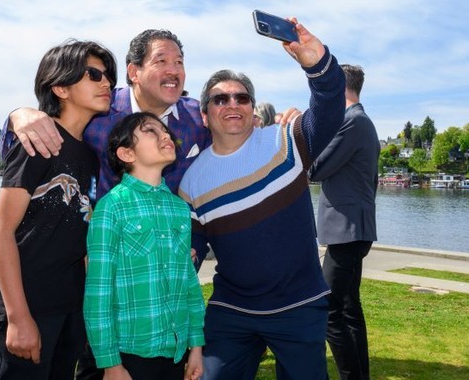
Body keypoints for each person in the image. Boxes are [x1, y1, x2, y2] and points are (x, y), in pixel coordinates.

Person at [178, 17, 346, 380]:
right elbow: (191, 247)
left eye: (241, 97)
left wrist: (317, 64)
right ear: (205, 115)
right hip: (232, 309)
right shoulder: (191, 181)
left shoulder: (286, 142)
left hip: (299, 305)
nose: (232, 104)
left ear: (252, 108)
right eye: (220, 99)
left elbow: (330, 111)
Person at [0, 39, 117, 380]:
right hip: (27, 305)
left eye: (108, 77)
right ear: (60, 86)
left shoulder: (90, 156)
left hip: (70, 309)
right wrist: (17, 317)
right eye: (94, 74)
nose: (106, 83)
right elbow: (0, 231)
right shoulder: (37, 141)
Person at [0, 29, 211, 198]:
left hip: (170, 243)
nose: (173, 71)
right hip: (101, 241)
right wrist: (16, 117)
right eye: (161, 61)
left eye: (179, 62)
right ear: (133, 72)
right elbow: (50, 128)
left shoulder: (199, 118)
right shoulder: (98, 111)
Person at [83, 112, 205, 380]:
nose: (165, 135)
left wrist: (196, 346)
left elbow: (189, 283)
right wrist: (110, 363)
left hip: (175, 352)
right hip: (129, 355)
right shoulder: (111, 207)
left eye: (166, 131)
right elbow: (98, 293)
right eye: (151, 131)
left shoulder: (178, 208)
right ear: (127, 154)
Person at [308, 64, 380, 380]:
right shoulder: (364, 122)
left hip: (347, 231)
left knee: (329, 310)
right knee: (349, 308)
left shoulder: (351, 122)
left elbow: (316, 169)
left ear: (340, 88)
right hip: (353, 228)